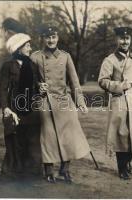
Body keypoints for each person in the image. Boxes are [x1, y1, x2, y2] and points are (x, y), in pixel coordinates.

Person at [31, 25, 90, 184]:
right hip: (45, 101)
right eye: (47, 37)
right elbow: (29, 80)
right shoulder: (35, 57)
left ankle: (65, 169)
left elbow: (75, 82)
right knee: (48, 136)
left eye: (54, 37)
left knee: (68, 137)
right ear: (43, 39)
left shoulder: (65, 57)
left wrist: (80, 102)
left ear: (58, 38)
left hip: (64, 101)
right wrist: (37, 85)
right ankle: (49, 170)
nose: (51, 40)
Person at [98, 26, 132, 180]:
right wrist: (119, 86)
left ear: (130, 40)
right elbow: (102, 81)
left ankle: (128, 161)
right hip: (119, 100)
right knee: (121, 135)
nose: (124, 41)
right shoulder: (110, 60)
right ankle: (122, 167)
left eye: (127, 38)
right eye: (121, 38)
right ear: (116, 40)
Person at [0, 33, 41, 178]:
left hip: (31, 111)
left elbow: (36, 86)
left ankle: (30, 174)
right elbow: (3, 90)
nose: (30, 48)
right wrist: (6, 108)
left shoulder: (32, 65)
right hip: (13, 110)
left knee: (31, 142)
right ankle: (11, 175)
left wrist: (40, 88)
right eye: (27, 45)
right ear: (19, 48)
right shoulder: (8, 66)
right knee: (14, 143)